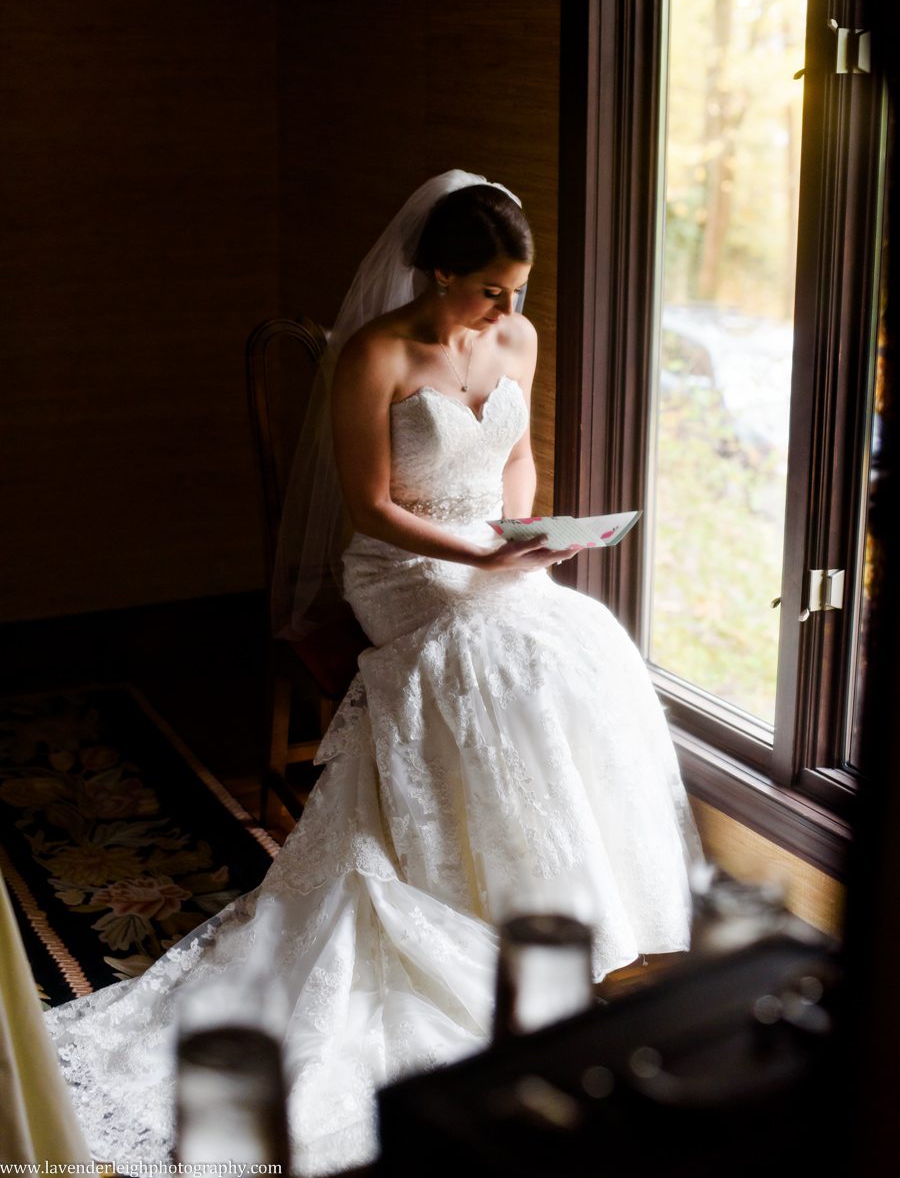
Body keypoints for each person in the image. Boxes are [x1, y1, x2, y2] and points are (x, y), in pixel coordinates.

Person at [45, 171, 704, 1177]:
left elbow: (516, 460)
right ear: (438, 271)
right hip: (401, 567)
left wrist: (520, 536)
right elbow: (368, 508)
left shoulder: (515, 340)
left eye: (515, 290)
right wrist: (469, 556)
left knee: (580, 641)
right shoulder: (376, 354)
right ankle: (475, 892)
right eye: (488, 289)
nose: (505, 310)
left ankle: (574, 902)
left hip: (486, 550)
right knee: (484, 656)